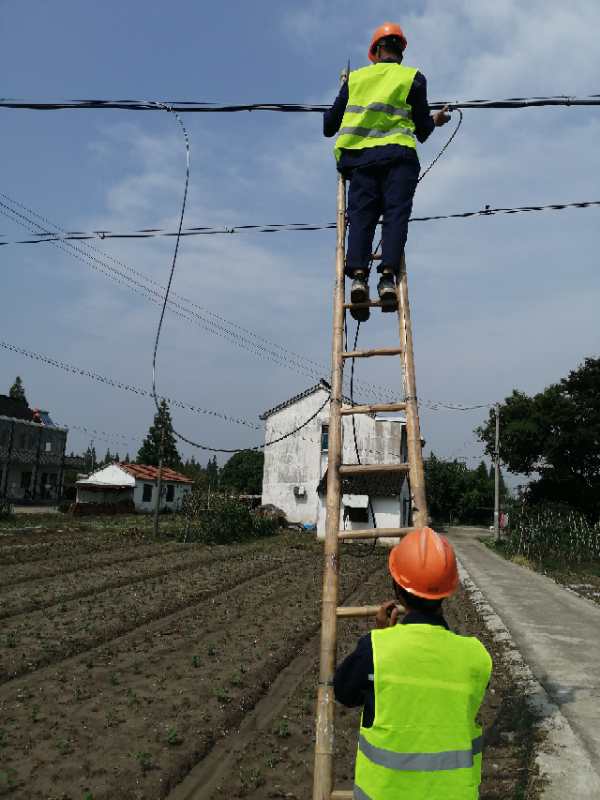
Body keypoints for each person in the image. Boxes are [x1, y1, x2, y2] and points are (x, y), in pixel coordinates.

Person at [334, 527, 492, 799]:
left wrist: (383, 636)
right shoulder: (475, 656)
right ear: (448, 591)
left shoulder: (376, 648)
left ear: (397, 589)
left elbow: (344, 693)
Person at [323, 22, 451, 321]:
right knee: (395, 215)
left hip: (361, 162)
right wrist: (436, 120)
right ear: (400, 51)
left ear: (375, 51)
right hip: (399, 158)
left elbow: (329, 126)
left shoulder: (355, 79)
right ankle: (388, 279)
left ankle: (357, 277)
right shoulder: (413, 78)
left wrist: (343, 96)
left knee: (361, 219)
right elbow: (421, 129)